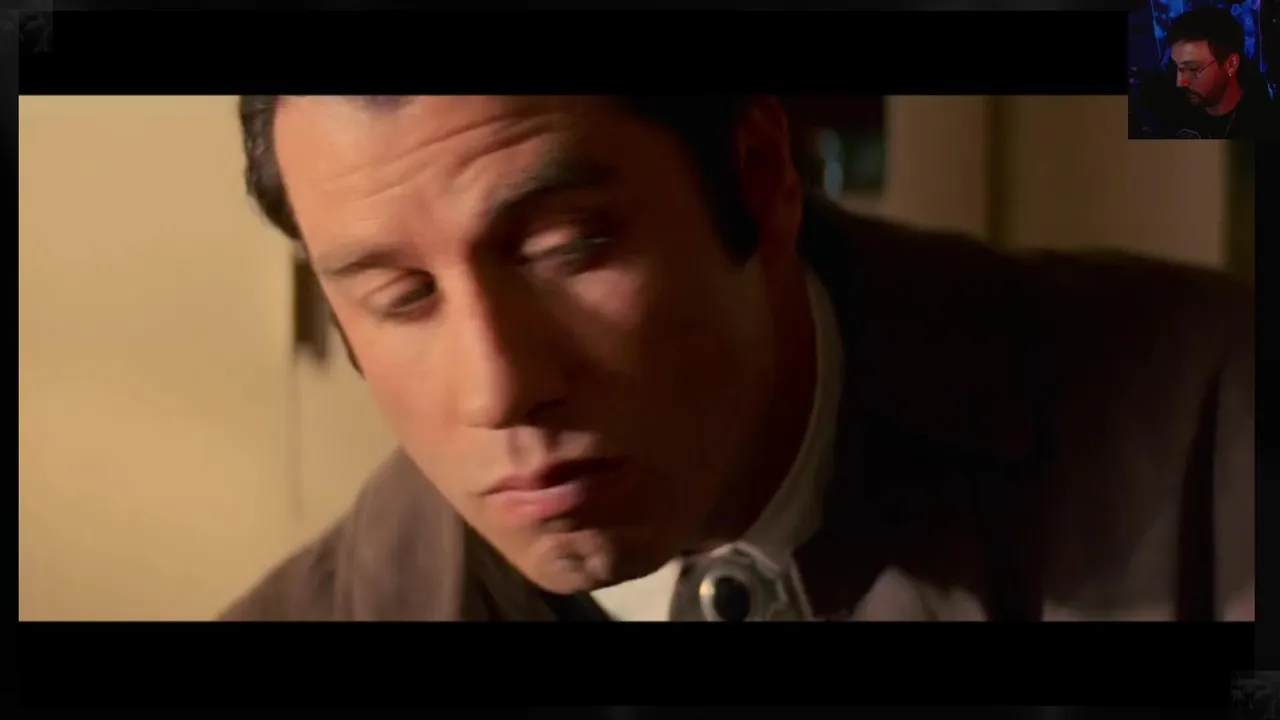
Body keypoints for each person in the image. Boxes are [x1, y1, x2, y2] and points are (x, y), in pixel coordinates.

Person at [222, 95, 1254, 622]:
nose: (499, 389)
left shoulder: (1217, 435)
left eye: (566, 247)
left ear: (758, 174)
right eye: (401, 298)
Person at [1163, 6, 1276, 139]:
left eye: (1192, 68)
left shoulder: (1266, 127)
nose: (1180, 82)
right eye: (1177, 67)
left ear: (1231, 64)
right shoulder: (1172, 112)